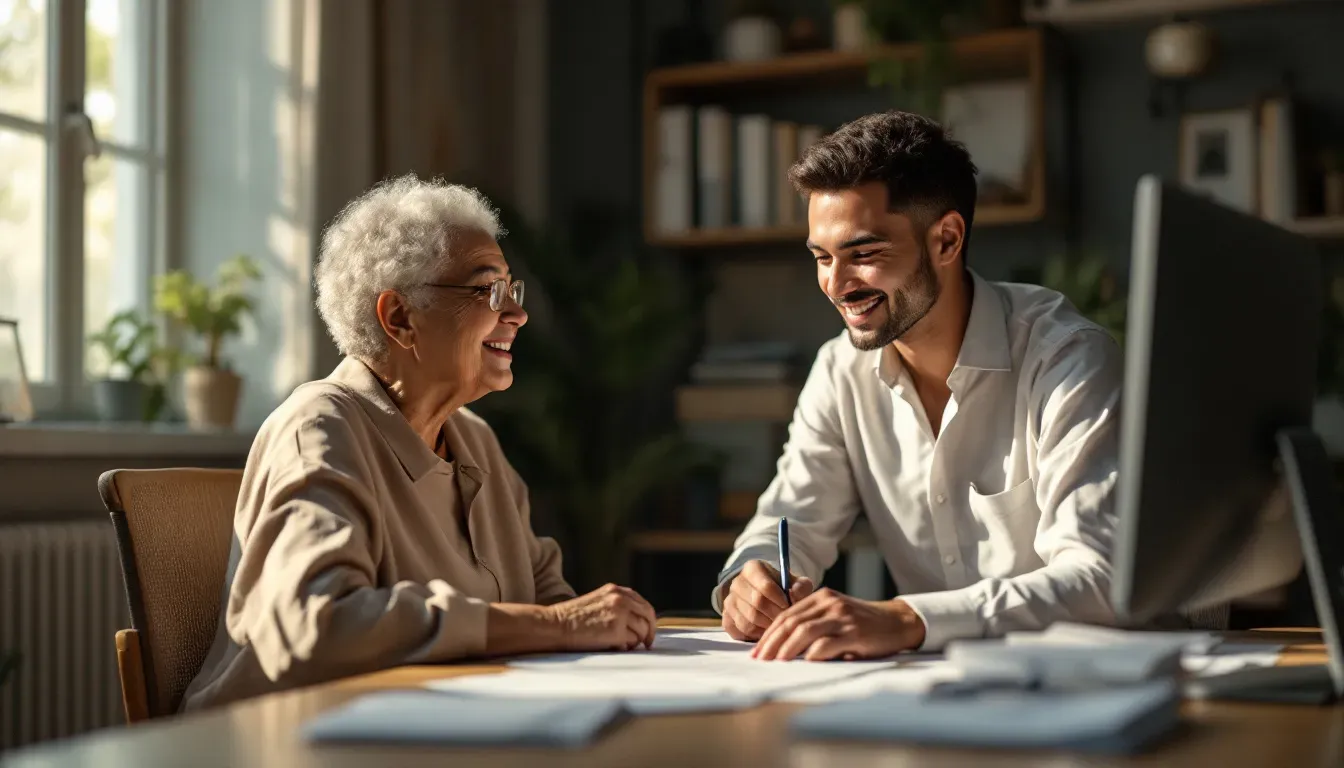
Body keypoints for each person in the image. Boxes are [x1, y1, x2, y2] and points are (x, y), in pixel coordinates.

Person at [182, 175, 657, 711]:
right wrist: (556, 625)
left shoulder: (475, 440)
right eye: (488, 290)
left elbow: (548, 604)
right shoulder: (319, 426)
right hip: (288, 743)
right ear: (400, 317)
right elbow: (314, 623)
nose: (518, 315)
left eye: (513, 289)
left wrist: (584, 628)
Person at [715, 111, 1121, 661]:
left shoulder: (1066, 358)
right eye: (822, 258)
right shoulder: (839, 372)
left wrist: (908, 617)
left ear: (947, 240)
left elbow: (1098, 577)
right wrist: (749, 580)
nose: (836, 285)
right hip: (934, 692)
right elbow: (790, 522)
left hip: (1087, 684)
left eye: (863, 254)